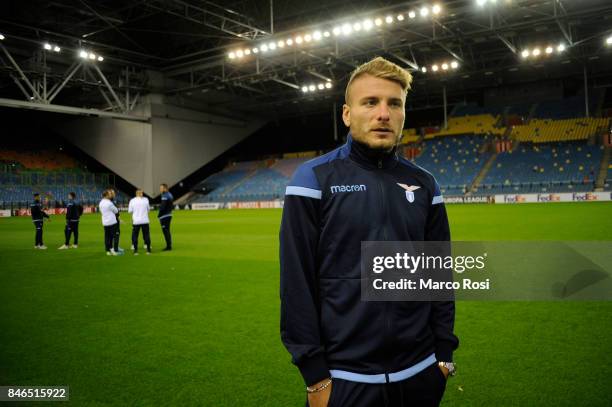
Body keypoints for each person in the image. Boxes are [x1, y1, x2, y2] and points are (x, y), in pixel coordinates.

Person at [279, 57, 459, 407]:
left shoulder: (425, 184)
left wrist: (443, 357)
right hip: (346, 379)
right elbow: (296, 282)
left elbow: (439, 274)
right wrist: (315, 377)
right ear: (347, 114)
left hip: (421, 373)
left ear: (404, 114)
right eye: (370, 102)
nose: (383, 113)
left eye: (395, 103)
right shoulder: (313, 179)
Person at [128, 189, 151, 255]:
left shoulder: (132, 200)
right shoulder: (146, 200)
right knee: (146, 235)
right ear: (140, 193)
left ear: (136, 194)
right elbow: (148, 210)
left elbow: (130, 211)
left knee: (135, 235)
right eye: (142, 193)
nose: (142, 194)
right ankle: (148, 250)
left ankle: (135, 251)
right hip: (145, 220)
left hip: (136, 221)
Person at [99, 189, 122, 256]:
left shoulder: (101, 202)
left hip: (105, 222)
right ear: (106, 195)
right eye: (109, 194)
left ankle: (108, 251)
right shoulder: (109, 203)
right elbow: (116, 210)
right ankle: (114, 250)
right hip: (112, 222)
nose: (110, 195)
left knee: (107, 237)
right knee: (114, 236)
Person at [158, 183, 173, 251]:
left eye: (161, 188)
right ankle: (169, 245)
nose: (160, 189)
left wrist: (159, 215)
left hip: (165, 216)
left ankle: (168, 246)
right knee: (167, 231)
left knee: (165, 231)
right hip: (169, 215)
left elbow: (163, 207)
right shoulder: (170, 194)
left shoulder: (165, 195)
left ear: (165, 188)